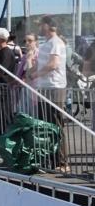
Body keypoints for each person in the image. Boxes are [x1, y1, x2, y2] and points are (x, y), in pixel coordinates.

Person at [29, 15, 69, 170]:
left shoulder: (56, 43)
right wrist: (27, 73)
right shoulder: (47, 44)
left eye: (41, 25)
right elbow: (40, 64)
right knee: (45, 125)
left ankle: (62, 162)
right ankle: (50, 160)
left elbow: (53, 64)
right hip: (44, 89)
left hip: (54, 88)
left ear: (48, 26)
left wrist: (34, 75)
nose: (39, 27)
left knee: (56, 125)